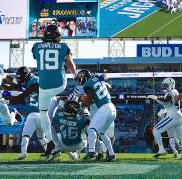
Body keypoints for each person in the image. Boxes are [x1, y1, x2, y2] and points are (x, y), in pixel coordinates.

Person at [32, 24, 76, 156]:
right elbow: (71, 67)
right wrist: (76, 77)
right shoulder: (63, 46)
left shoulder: (35, 46)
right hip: (60, 84)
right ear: (58, 35)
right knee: (58, 104)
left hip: (44, 86)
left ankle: (50, 140)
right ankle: (62, 104)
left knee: (43, 113)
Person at [7, 66, 48, 160]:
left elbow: (21, 95)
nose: (20, 79)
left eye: (21, 76)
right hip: (42, 114)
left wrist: (8, 98)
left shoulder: (34, 81)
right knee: (41, 137)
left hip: (33, 114)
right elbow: (19, 90)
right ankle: (50, 152)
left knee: (26, 135)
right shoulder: (30, 83)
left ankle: (24, 152)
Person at [75, 69, 117, 161]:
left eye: (80, 79)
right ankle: (111, 154)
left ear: (84, 77)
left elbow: (87, 102)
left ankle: (92, 151)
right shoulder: (97, 78)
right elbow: (105, 78)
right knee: (101, 132)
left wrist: (80, 98)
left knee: (91, 129)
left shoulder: (87, 85)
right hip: (112, 108)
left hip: (103, 108)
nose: (80, 82)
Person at [147, 78, 182, 158]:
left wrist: (155, 97)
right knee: (179, 137)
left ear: (170, 85)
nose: (164, 87)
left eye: (165, 85)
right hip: (176, 115)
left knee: (156, 130)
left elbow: (165, 101)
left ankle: (162, 149)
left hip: (172, 116)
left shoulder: (171, 91)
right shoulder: (174, 91)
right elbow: (167, 104)